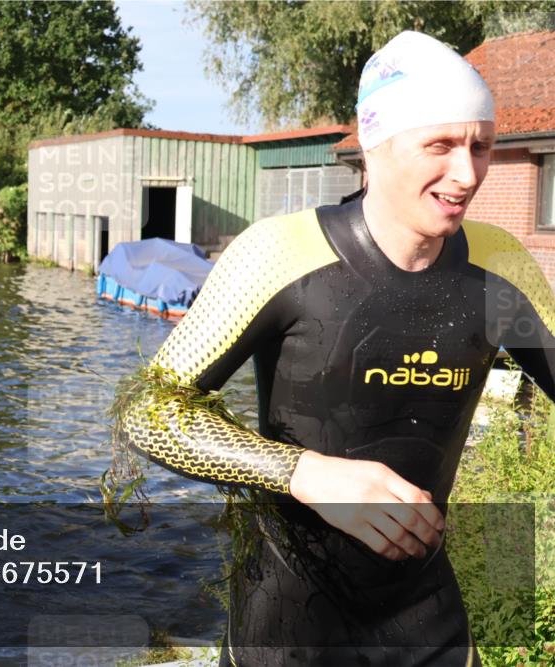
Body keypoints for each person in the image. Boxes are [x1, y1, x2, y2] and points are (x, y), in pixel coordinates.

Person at [117, 31, 555, 667]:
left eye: (481, 147)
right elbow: (149, 410)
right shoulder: (281, 253)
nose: (467, 174)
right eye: (440, 145)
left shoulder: (499, 265)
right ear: (373, 151)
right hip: (288, 625)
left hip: (425, 623)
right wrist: (303, 472)